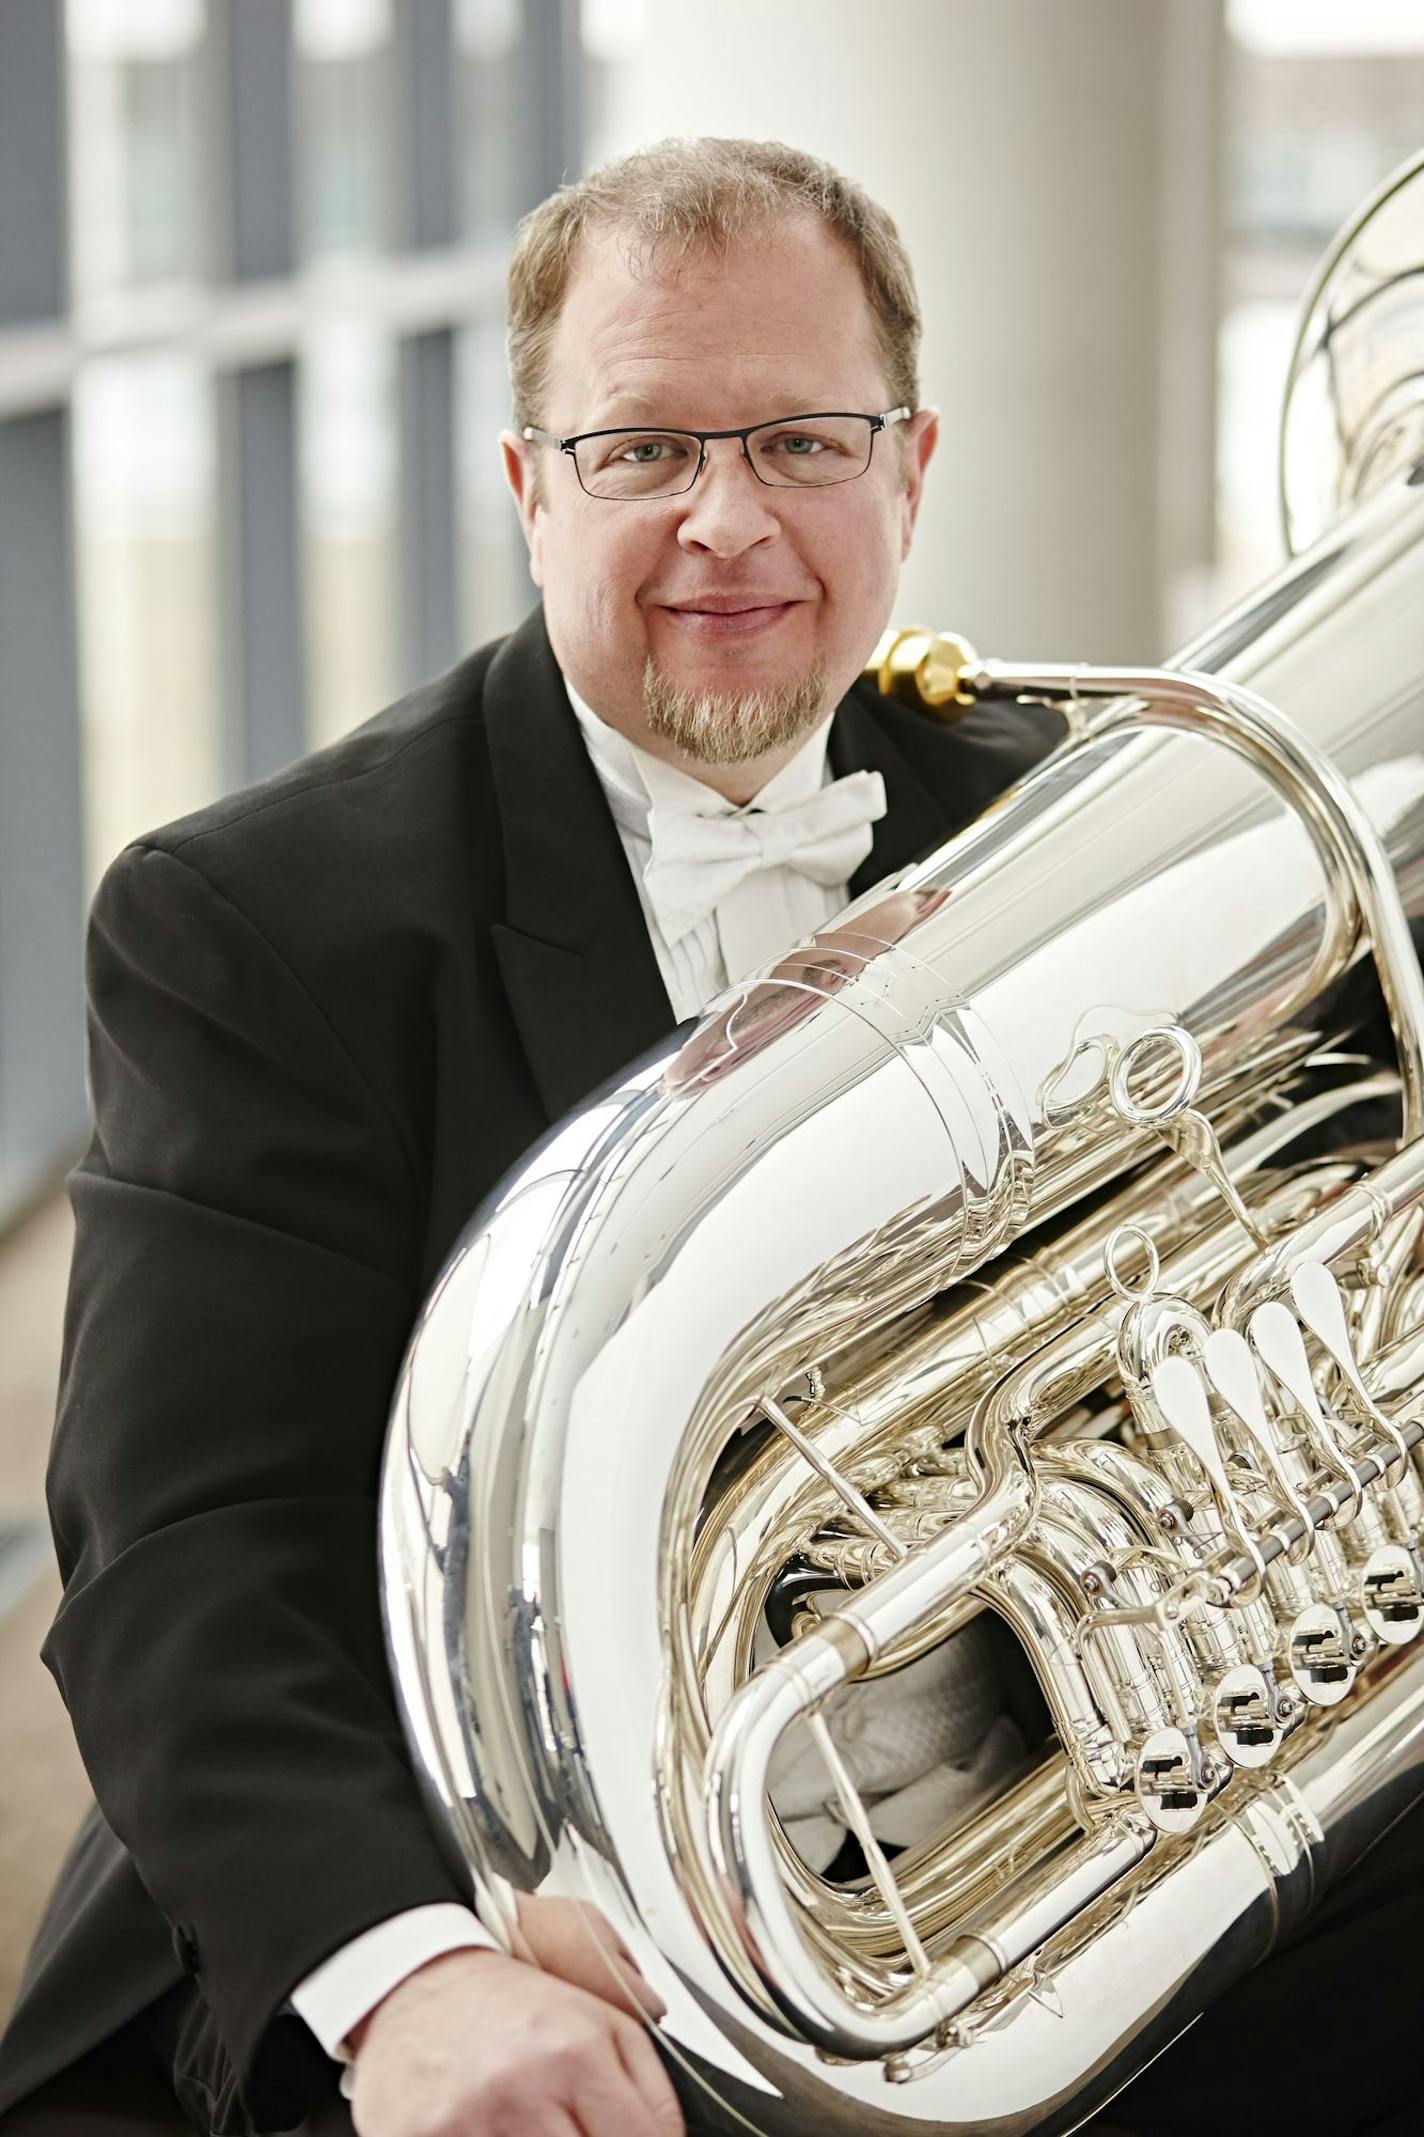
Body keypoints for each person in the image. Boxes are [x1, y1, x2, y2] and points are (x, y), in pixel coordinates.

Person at [1, 132, 1420, 2137]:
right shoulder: (259, 921)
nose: (727, 525)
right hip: (511, 1926)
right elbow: (186, 1562)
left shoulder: (1085, 817)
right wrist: (410, 1979)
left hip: (1072, 1846)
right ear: (526, 490)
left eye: (803, 445)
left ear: (911, 470)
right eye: (644, 450)